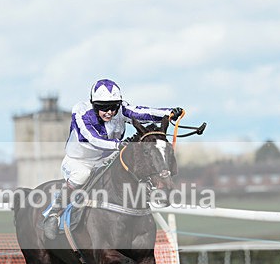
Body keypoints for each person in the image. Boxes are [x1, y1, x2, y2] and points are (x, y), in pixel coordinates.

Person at [43, 78, 183, 239]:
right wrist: (118, 145)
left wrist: (169, 113)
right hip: (79, 161)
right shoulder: (81, 112)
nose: (109, 112)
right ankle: (54, 212)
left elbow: (141, 112)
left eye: (114, 107)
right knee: (82, 175)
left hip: (108, 159)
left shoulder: (121, 110)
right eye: (104, 108)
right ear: (94, 105)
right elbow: (92, 138)